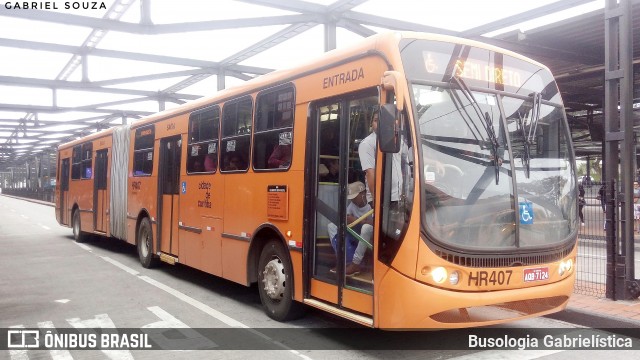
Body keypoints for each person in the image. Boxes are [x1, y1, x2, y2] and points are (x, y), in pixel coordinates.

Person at [328, 181, 373, 276]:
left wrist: (359, 221)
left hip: (370, 237)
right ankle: (343, 261)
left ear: (363, 193)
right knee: (331, 226)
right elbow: (346, 216)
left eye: (355, 197)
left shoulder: (370, 205)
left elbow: (376, 223)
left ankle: (355, 263)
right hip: (356, 232)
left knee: (366, 228)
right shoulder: (353, 205)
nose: (353, 200)